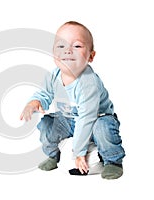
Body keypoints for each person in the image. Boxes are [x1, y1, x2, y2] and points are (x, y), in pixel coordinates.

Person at [20, 21, 125, 179]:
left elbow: (87, 118)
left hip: (96, 118)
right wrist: (35, 102)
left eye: (77, 46)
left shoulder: (88, 83)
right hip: (70, 120)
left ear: (91, 56)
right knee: (47, 125)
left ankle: (113, 161)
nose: (68, 51)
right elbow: (45, 93)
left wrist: (79, 153)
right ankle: (53, 155)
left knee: (103, 129)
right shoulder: (54, 75)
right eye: (61, 46)